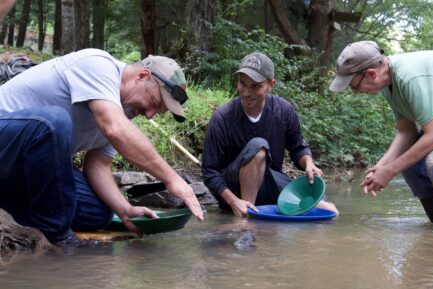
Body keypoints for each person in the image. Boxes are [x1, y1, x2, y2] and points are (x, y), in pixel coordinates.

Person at [0, 48, 204, 243]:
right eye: (153, 102)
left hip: (23, 167)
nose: (149, 115)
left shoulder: (122, 113)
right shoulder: (98, 64)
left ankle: (11, 209)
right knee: (54, 122)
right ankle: (57, 238)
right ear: (142, 76)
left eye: (157, 112)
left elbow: (98, 166)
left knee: (97, 213)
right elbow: (114, 128)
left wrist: (125, 210)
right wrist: (171, 178)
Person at [201, 52, 338, 217]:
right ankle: (246, 219)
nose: (246, 92)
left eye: (255, 86)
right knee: (258, 147)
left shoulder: (283, 111)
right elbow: (210, 172)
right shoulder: (222, 117)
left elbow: (298, 149)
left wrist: (309, 164)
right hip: (233, 190)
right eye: (242, 84)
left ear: (270, 85)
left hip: (269, 182)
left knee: (329, 211)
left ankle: (256, 214)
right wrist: (233, 201)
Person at [329, 40, 433, 226]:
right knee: (409, 165)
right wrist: (382, 167)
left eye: (353, 86)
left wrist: (390, 171)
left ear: (371, 73)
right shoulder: (388, 83)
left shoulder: (409, 77)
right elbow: (405, 132)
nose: (355, 92)